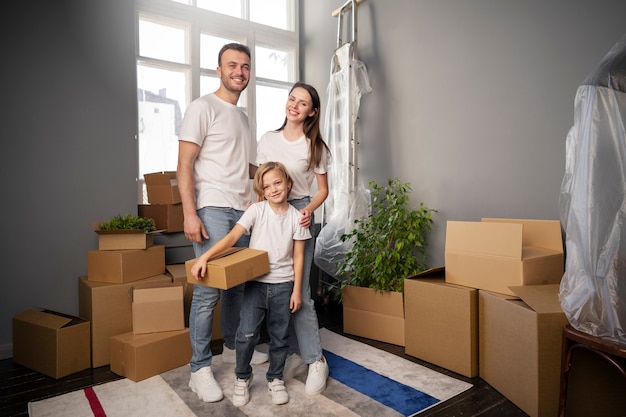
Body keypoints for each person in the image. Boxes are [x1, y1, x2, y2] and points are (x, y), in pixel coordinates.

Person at [177, 42, 268, 404]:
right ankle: (199, 369)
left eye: (245, 66)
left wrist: (267, 174)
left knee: (238, 286)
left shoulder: (243, 117)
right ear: (218, 69)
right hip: (212, 207)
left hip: (241, 209)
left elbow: (239, 165)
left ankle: (231, 345)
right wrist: (189, 213)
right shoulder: (202, 107)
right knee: (208, 290)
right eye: (232, 65)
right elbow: (185, 163)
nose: (239, 72)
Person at [190, 161, 311, 406]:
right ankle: (242, 377)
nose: (274, 189)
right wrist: (204, 256)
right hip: (255, 286)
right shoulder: (257, 210)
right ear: (262, 191)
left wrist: (297, 290)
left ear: (288, 184)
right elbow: (233, 237)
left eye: (278, 182)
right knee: (245, 335)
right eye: (267, 186)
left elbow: (298, 257)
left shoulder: (297, 218)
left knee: (280, 337)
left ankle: (275, 378)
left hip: (284, 287)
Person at [253, 81, 330, 395]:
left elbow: (322, 190)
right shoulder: (268, 139)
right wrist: (256, 207)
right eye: (291, 98)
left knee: (301, 290)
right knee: (276, 285)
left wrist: (308, 209)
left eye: (302, 103)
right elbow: (261, 181)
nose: (294, 105)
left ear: (311, 112)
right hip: (268, 211)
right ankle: (291, 352)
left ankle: (316, 360)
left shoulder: (315, 146)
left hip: (298, 212)